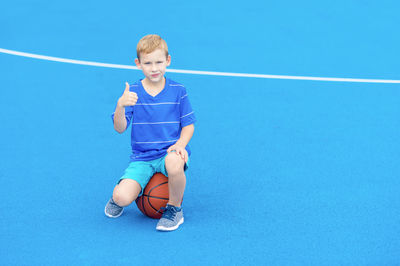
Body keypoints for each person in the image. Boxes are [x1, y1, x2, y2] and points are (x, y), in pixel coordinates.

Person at [104, 34, 196, 231]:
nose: (154, 68)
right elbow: (119, 128)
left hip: (169, 152)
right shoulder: (133, 92)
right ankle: (126, 191)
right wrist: (120, 106)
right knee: (122, 197)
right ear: (138, 64)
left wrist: (180, 145)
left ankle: (175, 208)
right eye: (148, 63)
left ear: (168, 61)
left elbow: (188, 125)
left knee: (173, 161)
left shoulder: (179, 91)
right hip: (142, 158)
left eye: (159, 62)